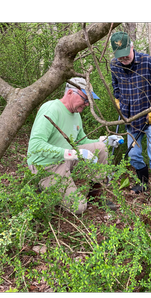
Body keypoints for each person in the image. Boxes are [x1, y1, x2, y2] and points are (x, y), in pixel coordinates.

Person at [27, 77, 123, 214]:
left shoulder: (76, 114)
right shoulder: (51, 108)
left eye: (89, 101)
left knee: (100, 149)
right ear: (70, 92)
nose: (87, 104)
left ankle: (95, 196)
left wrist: (104, 140)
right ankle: (42, 184)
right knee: (79, 207)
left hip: (65, 159)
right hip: (46, 165)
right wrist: (70, 154)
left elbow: (80, 141)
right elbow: (36, 145)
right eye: (85, 99)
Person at [110, 31, 151, 205]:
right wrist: (117, 99)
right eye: (119, 56)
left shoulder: (148, 62)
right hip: (130, 118)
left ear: (132, 46)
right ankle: (143, 184)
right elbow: (116, 86)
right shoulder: (114, 65)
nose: (123, 59)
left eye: (125, 55)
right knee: (134, 155)